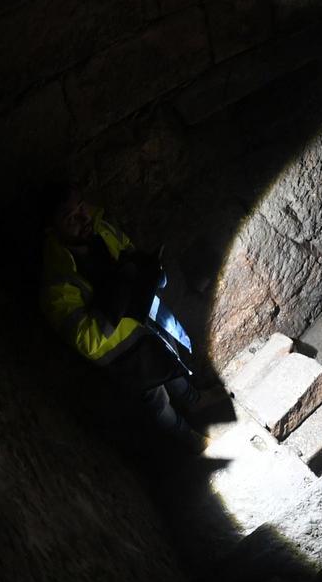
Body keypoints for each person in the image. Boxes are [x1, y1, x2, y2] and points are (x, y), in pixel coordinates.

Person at [39, 183, 203, 444]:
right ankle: (189, 439)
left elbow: (128, 251)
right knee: (158, 402)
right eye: (71, 218)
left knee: (173, 365)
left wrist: (148, 269)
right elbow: (89, 341)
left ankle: (197, 403)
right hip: (128, 357)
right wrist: (121, 289)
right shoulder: (58, 284)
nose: (84, 218)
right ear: (52, 230)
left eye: (82, 207)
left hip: (150, 328)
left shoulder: (100, 228)